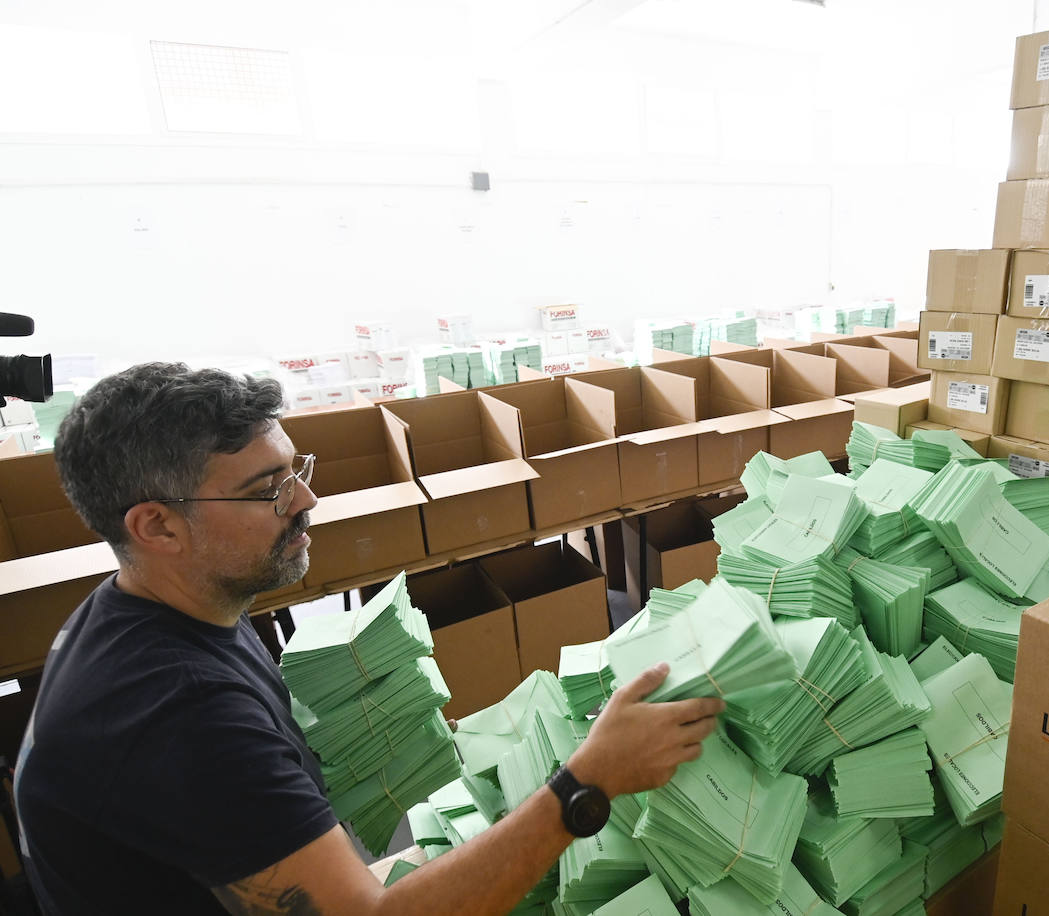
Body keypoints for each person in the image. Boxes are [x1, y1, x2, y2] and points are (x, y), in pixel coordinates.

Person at [15, 362, 723, 915]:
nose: (306, 500)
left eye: (297, 469)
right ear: (157, 527)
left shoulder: (168, 611)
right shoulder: (177, 714)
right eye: (268, 489)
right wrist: (585, 785)